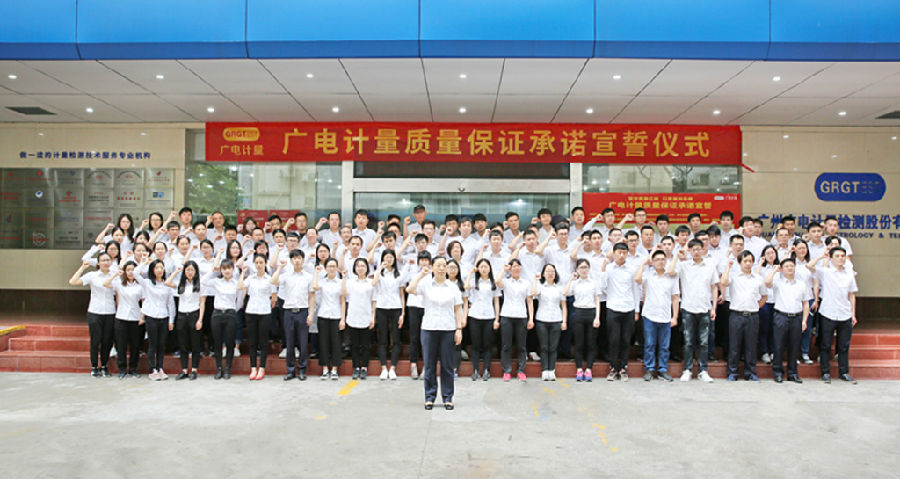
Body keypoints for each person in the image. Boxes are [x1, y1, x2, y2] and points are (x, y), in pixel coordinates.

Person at [406, 257, 464, 410]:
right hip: (429, 329)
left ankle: (448, 397)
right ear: (432, 268)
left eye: (444, 266)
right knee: (430, 365)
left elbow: (458, 309)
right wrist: (421, 274)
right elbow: (410, 289)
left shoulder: (453, 287)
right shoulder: (426, 284)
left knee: (447, 365)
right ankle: (429, 397)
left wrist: (459, 329)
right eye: (438, 265)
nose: (442, 268)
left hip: (448, 329)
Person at [669, 239, 719, 383]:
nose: (696, 252)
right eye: (693, 249)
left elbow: (714, 287)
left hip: (705, 308)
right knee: (688, 342)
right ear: (689, 251)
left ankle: (703, 371)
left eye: (698, 249)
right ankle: (687, 370)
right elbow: (671, 272)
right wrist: (677, 256)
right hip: (688, 308)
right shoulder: (684, 265)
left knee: (704, 342)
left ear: (703, 250)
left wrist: (714, 307)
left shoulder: (710, 265)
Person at [809, 247, 859, 384]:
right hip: (828, 312)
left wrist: (853, 314)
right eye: (837, 256)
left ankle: (844, 372)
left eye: (842, 256)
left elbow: (851, 295)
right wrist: (821, 257)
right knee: (825, 344)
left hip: (845, 313)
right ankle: (825, 372)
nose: (840, 258)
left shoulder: (849, 274)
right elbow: (809, 266)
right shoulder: (826, 272)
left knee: (844, 346)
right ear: (831, 258)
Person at [720, 251, 767, 381]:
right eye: (745, 261)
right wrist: (728, 267)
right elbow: (723, 282)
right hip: (736, 315)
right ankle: (732, 372)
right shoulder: (734, 276)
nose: (747, 264)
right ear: (739, 262)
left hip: (752, 316)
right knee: (734, 345)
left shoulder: (758, 278)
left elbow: (764, 296)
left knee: (751, 346)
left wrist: (756, 306)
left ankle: (750, 372)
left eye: (750, 261)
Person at [69, 253, 117, 377]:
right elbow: (73, 281)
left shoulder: (115, 276)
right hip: (95, 311)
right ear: (98, 263)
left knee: (107, 341)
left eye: (108, 260)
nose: (106, 262)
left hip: (110, 311)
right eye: (103, 260)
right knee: (96, 340)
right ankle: (94, 366)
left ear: (111, 262)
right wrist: (82, 268)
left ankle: (104, 366)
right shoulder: (92, 275)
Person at [764, 258, 811, 383]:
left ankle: (793, 373)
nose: (790, 268)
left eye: (792, 266)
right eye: (787, 266)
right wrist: (775, 270)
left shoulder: (801, 284)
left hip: (797, 317)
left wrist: (804, 321)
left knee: (794, 346)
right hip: (781, 316)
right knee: (778, 346)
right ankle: (778, 372)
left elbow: (806, 303)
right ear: (782, 269)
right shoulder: (778, 282)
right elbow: (767, 282)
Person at [271, 250, 315, 381]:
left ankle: (302, 369)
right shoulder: (286, 275)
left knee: (303, 342)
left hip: (303, 311)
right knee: (289, 343)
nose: (297, 260)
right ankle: (290, 370)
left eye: (299, 258)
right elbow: (273, 281)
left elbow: (311, 296)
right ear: (291, 260)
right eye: (294, 258)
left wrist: (311, 314)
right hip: (288, 312)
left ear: (303, 260)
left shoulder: (308, 276)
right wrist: (280, 268)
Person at [636, 249, 679, 382]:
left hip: (665, 316)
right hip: (650, 315)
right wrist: (644, 264)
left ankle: (662, 369)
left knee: (664, 346)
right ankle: (649, 369)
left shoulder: (672, 276)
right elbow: (637, 279)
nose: (660, 262)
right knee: (649, 344)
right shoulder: (649, 274)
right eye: (657, 259)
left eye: (662, 259)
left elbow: (675, 297)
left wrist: (675, 317)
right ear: (653, 262)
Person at [603, 243, 641, 381]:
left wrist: (637, 310)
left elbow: (636, 290)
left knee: (625, 340)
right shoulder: (608, 268)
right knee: (613, 339)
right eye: (619, 252)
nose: (621, 255)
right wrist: (603, 270)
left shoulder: (631, 269)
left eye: (624, 252)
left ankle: (624, 367)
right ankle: (613, 368)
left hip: (629, 308)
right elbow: (603, 286)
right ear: (613, 253)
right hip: (613, 307)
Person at [135, 258, 176, 381]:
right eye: (157, 268)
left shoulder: (167, 284)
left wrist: (171, 320)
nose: (159, 270)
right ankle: (152, 369)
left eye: (161, 268)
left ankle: (160, 368)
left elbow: (171, 304)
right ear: (152, 270)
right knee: (152, 344)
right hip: (151, 317)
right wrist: (144, 262)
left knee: (162, 345)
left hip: (164, 317)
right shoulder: (147, 283)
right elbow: (135, 273)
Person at [202, 252, 242, 380]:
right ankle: (219, 368)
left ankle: (228, 369)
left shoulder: (236, 283)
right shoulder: (216, 281)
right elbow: (203, 281)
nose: (227, 271)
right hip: (217, 314)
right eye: (224, 268)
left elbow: (240, 300)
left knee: (230, 343)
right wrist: (212, 270)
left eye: (229, 268)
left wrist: (233, 309)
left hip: (230, 314)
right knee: (217, 343)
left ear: (233, 269)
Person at [238, 254, 276, 381]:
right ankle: (253, 367)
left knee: (263, 342)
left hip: (265, 312)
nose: (259, 265)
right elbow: (239, 286)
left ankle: (262, 368)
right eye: (257, 263)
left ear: (265, 264)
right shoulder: (251, 278)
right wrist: (243, 273)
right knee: (252, 342)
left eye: (261, 262)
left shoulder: (270, 279)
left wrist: (267, 304)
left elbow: (274, 296)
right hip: (251, 311)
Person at [164, 261, 204, 380]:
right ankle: (184, 370)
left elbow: (202, 303)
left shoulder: (200, 284)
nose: (190, 272)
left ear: (196, 271)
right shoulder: (180, 284)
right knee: (183, 344)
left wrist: (200, 319)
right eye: (188, 270)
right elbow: (167, 282)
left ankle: (194, 370)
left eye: (192, 270)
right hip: (181, 315)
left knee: (195, 344)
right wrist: (177, 272)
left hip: (194, 314)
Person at [563, 259, 602, 382]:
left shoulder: (594, 283)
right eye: (581, 267)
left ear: (589, 269)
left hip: (591, 313)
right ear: (577, 270)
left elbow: (597, 300)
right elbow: (565, 293)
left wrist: (597, 317)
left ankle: (589, 369)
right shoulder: (575, 283)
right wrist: (571, 279)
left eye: (586, 267)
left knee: (591, 343)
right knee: (579, 343)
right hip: (578, 313)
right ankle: (579, 369)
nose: (584, 270)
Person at [103, 261, 143, 379]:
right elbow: (105, 283)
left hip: (135, 317)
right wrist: (116, 274)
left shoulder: (140, 286)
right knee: (121, 345)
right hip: (121, 317)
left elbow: (144, 301)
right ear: (125, 272)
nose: (130, 272)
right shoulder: (119, 284)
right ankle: (122, 369)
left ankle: (133, 369)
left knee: (135, 346)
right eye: (128, 270)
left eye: (133, 270)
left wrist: (142, 317)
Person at [496, 259, 533, 382]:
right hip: (507, 315)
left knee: (521, 346)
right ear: (510, 269)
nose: (516, 268)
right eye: (514, 266)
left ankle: (521, 370)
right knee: (506, 345)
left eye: (518, 266)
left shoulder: (526, 283)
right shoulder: (506, 282)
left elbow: (529, 301)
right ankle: (506, 371)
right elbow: (497, 281)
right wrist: (504, 269)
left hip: (521, 316)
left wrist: (531, 318)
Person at [372, 249, 406, 380]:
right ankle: (383, 368)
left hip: (396, 307)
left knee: (396, 339)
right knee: (382, 339)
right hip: (382, 307)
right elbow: (374, 283)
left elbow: (402, 294)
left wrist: (403, 313)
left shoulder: (399, 274)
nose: (389, 259)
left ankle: (392, 368)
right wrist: (380, 268)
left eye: (391, 257)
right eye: (386, 257)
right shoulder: (379, 273)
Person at [465, 259, 501, 381]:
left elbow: (496, 302)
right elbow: (466, 286)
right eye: (481, 267)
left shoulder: (493, 283)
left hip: (489, 316)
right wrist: (471, 272)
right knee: (475, 345)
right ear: (478, 269)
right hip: (474, 316)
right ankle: (475, 370)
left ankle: (486, 370)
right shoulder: (474, 281)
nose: (484, 269)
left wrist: (497, 319)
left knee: (487, 345)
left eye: (486, 266)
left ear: (490, 268)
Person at [530, 264, 566, 381]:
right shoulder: (540, 287)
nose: (550, 273)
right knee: (544, 346)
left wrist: (564, 321)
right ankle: (545, 370)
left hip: (556, 319)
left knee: (553, 347)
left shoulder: (560, 288)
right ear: (543, 274)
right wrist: (535, 280)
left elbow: (563, 306)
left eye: (552, 271)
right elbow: (533, 293)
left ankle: (552, 370)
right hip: (542, 319)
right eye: (547, 271)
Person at [341, 258, 376, 380]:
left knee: (366, 345)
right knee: (355, 345)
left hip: (366, 316)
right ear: (354, 268)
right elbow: (344, 293)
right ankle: (356, 367)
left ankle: (364, 367)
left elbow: (374, 301)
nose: (360, 268)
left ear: (367, 268)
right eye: (358, 266)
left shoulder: (371, 283)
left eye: (362, 266)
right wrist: (344, 278)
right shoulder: (350, 282)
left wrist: (373, 317)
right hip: (353, 317)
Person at [313, 258, 343, 379]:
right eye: (329, 266)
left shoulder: (341, 282)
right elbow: (314, 286)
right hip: (323, 315)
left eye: (334, 266)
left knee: (336, 343)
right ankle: (325, 369)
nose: (331, 268)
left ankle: (335, 369)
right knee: (323, 342)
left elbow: (343, 301)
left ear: (337, 268)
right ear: (325, 268)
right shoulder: (322, 281)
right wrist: (316, 273)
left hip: (336, 315)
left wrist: (343, 319)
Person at [756, 245, 780, 365]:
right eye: (768, 253)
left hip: (777, 301)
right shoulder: (761, 268)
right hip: (764, 301)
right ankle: (764, 351)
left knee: (774, 328)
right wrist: (760, 264)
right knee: (764, 327)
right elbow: (756, 278)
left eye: (772, 253)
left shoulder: (780, 267)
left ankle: (773, 351)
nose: (771, 255)